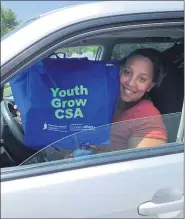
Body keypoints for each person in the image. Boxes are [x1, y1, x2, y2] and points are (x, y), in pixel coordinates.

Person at [14, 48, 168, 155]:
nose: (130, 83)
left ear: (151, 85)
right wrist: (33, 120)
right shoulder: (101, 98)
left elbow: (141, 172)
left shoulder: (148, 117)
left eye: (142, 79)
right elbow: (66, 131)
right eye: (127, 72)